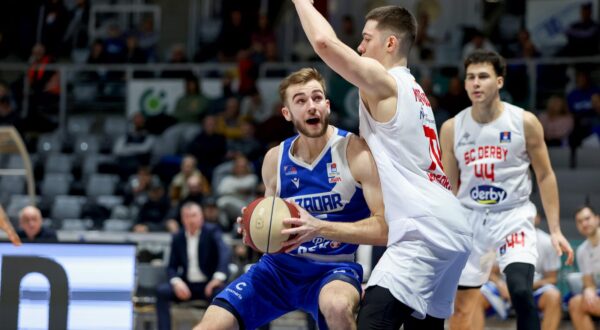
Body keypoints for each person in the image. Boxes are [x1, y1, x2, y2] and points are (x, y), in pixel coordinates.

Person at [292, 3, 472, 328]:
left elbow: (323, 44)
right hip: (454, 228)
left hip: (423, 230)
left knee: (372, 321)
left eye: (366, 38)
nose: (360, 47)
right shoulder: (416, 91)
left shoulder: (384, 82)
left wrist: (301, 2)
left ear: (390, 43)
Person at [195, 68, 386, 330]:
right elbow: (270, 230)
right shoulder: (275, 159)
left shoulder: (355, 151)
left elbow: (384, 229)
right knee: (209, 326)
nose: (311, 107)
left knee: (338, 307)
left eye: (317, 98)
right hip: (277, 269)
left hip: (333, 268)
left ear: (327, 106)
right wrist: (255, 229)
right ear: (286, 113)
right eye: (300, 100)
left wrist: (319, 228)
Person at [439, 50, 573, 330]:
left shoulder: (524, 122)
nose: (476, 83)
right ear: (464, 84)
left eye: (483, 77)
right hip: (470, 219)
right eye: (470, 77)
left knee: (521, 290)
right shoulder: (452, 127)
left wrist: (556, 229)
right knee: (462, 307)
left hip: (513, 216)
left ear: (499, 82)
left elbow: (546, 175)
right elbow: (449, 188)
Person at [474, 213, 564, 330]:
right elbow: (487, 271)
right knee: (474, 295)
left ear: (537, 218)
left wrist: (522, 287)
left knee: (554, 296)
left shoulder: (547, 241)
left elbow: (552, 278)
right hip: (503, 290)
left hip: (533, 289)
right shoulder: (499, 238)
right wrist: (501, 285)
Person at [155, 202, 231, 330]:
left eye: (194, 215)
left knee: (221, 295)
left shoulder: (212, 231)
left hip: (209, 285)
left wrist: (217, 279)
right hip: (187, 285)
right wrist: (177, 282)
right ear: (182, 218)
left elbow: (225, 253)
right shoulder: (178, 237)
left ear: (201, 217)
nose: (191, 219)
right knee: (162, 292)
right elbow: (171, 266)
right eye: (186, 216)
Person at [568, 206, 600, 330]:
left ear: (597, 219)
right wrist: (589, 290)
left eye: (587, 218)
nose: (584, 224)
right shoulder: (582, 251)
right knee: (575, 303)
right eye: (580, 221)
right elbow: (588, 281)